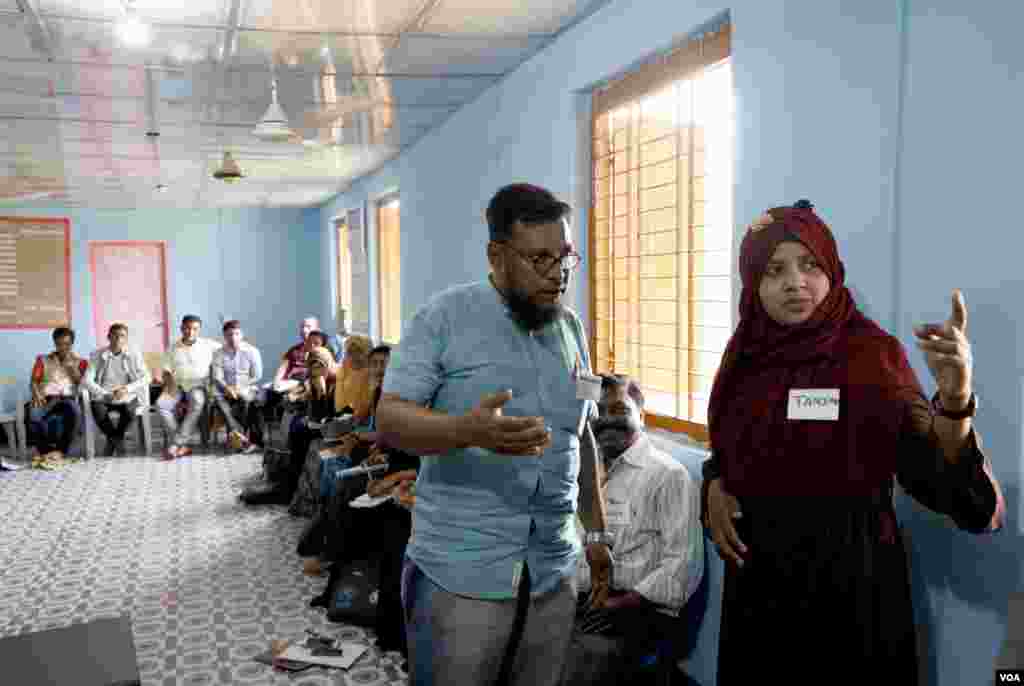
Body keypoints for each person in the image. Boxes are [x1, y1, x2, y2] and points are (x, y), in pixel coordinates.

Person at [702, 200, 1005, 684]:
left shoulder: (870, 358)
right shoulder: (745, 358)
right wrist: (714, 483)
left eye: (810, 264)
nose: (794, 282)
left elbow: (936, 472)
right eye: (774, 270)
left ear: (832, 270)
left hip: (850, 590)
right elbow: (732, 444)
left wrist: (954, 398)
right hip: (761, 594)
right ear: (754, 285)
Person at [376, 183, 611, 686]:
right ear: (497, 255)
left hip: (553, 569)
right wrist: (465, 430)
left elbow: (582, 438)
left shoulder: (571, 329)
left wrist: (595, 534)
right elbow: (389, 418)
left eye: (565, 257)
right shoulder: (445, 317)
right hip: (463, 574)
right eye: (539, 259)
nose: (557, 275)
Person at [563, 374, 703, 686]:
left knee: (574, 666)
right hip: (582, 600)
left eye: (619, 411)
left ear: (642, 415)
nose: (607, 420)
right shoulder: (582, 471)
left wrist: (622, 605)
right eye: (599, 412)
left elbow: (682, 567)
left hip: (636, 609)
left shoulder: (667, 476)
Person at [241, 346, 337, 505]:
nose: (317, 371)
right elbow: (314, 408)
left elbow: (330, 412)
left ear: (328, 364)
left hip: (335, 427)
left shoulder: (336, 379)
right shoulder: (315, 379)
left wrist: (321, 393)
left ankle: (287, 490)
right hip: (322, 425)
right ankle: (286, 485)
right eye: (313, 367)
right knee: (295, 425)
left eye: (320, 366)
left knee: (299, 432)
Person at [156, 314, 220, 460]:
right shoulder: (173, 347)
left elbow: (228, 347)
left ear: (199, 330)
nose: (191, 332)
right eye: (187, 328)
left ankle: (176, 444)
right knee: (161, 404)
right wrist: (170, 384)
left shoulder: (208, 345)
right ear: (181, 328)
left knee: (197, 402)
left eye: (195, 329)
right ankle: (181, 445)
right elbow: (166, 371)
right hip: (177, 384)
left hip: (198, 385)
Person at [82, 323, 151, 456]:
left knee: (130, 411)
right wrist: (104, 394)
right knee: (98, 410)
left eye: (122, 336)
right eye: (115, 335)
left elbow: (147, 377)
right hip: (104, 394)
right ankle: (117, 440)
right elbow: (87, 380)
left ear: (126, 339)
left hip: (126, 395)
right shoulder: (97, 355)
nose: (119, 339)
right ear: (108, 337)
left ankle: (113, 440)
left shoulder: (134, 354)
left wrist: (127, 388)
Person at [28, 326, 89, 464]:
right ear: (54, 343)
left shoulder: (81, 362)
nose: (63, 347)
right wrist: (36, 394)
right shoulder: (42, 359)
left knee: (75, 412)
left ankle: (61, 451)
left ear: (72, 343)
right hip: (47, 397)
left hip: (67, 399)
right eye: (59, 344)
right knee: (33, 414)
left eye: (66, 344)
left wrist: (71, 368)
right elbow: (33, 381)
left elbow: (83, 384)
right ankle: (45, 452)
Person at [211, 320, 263, 453]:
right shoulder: (218, 353)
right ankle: (242, 440)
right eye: (229, 335)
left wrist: (239, 388)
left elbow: (257, 376)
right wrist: (228, 388)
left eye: (236, 334)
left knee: (247, 401)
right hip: (224, 389)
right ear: (224, 336)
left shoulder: (252, 351)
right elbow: (217, 377)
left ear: (242, 335)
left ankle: (238, 438)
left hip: (246, 387)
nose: (233, 337)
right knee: (223, 404)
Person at [333, 334, 375, 423]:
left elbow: (366, 408)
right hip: (341, 419)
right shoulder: (344, 368)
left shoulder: (372, 374)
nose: (354, 356)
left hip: (361, 425)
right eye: (350, 352)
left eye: (359, 351)